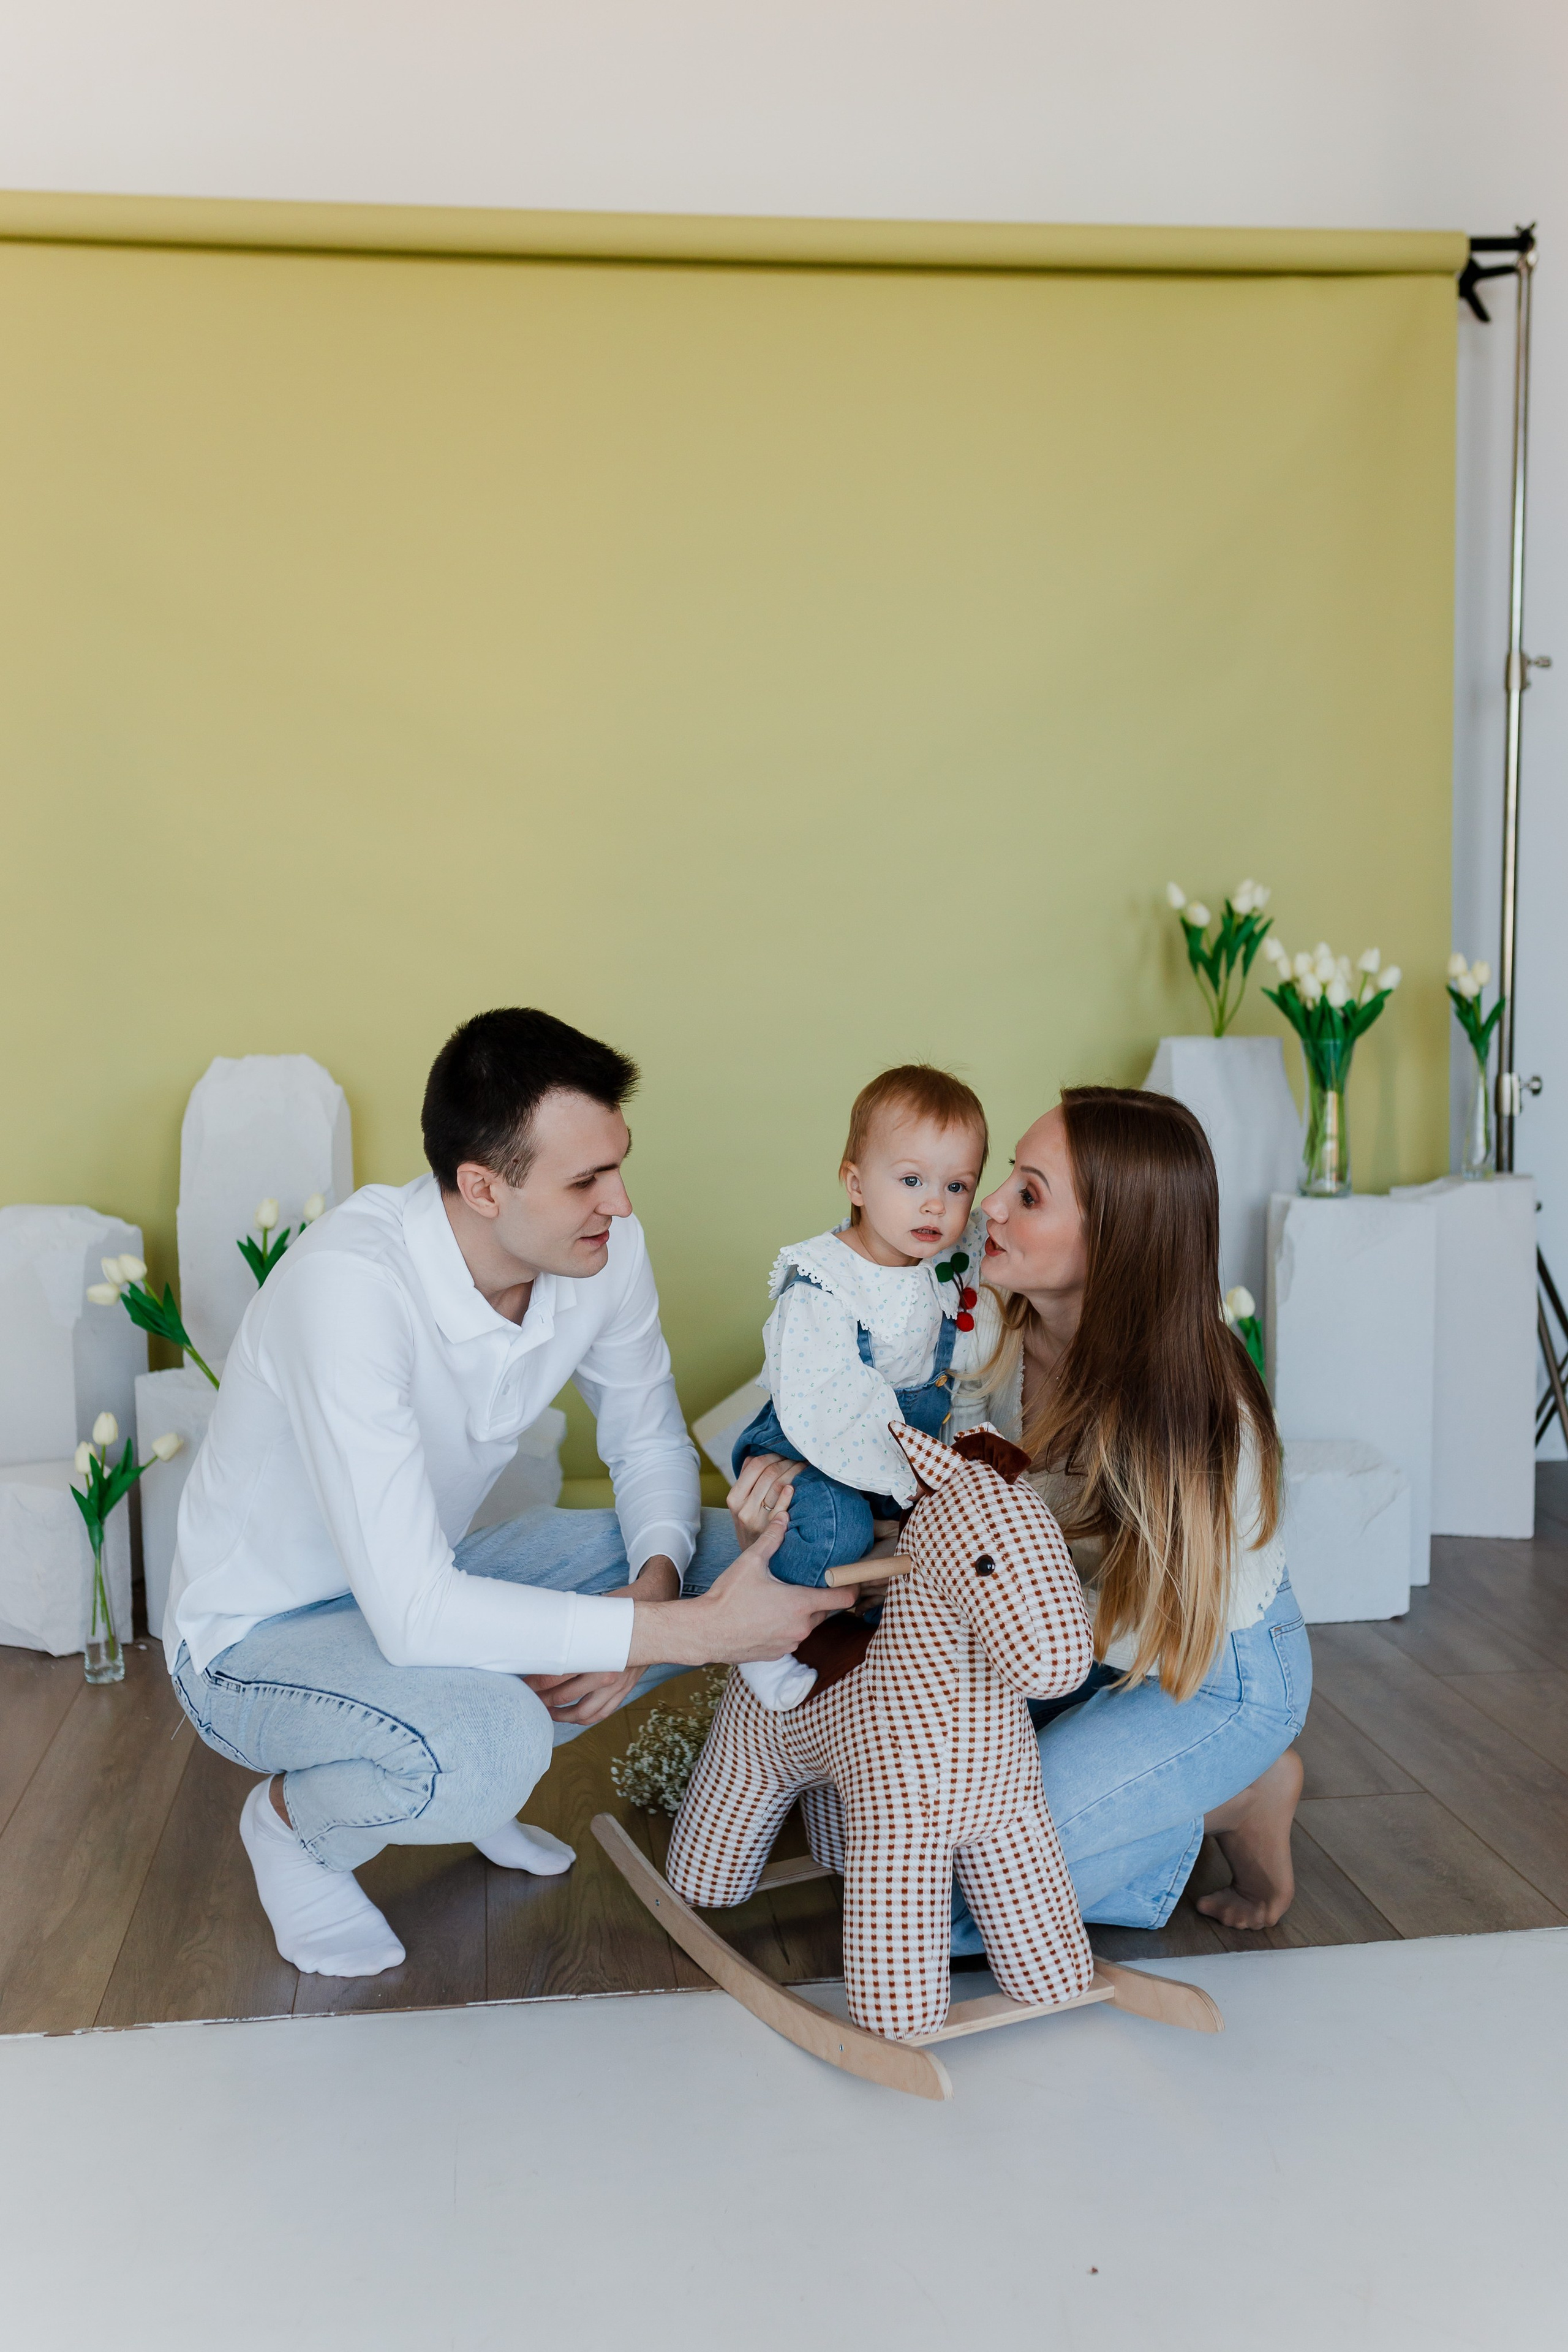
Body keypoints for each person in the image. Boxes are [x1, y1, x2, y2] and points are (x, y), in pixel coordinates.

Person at [164, 1008, 843, 1980]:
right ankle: (296, 1828)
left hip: (425, 1583)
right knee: (491, 1747)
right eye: (585, 1181)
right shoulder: (348, 1291)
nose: (620, 1202)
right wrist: (689, 1635)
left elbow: (646, 1437)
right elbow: (411, 1616)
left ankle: (465, 1741)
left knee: (748, 1553)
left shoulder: (600, 1250)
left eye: (619, 1165)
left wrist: (654, 1597)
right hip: (254, 1644)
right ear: (483, 1187)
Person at [940, 1085, 1311, 1938]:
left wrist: (979, 1613)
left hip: (1203, 1671)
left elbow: (1165, 1623)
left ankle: (1238, 1794)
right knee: (891, 1831)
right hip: (1066, 1635)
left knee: (965, 1902)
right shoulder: (993, 1316)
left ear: (1114, 1241)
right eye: (1009, 1176)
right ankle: (1148, 1801)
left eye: (1030, 1195)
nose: (988, 1204)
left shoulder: (1191, 1409)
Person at [725, 1065, 988, 1709]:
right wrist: (910, 1486)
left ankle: (879, 1656)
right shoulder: (827, 1280)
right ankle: (759, 1641)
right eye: (911, 1180)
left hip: (904, 1455)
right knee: (834, 1533)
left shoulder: (946, 1266)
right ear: (856, 1184)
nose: (936, 1204)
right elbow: (831, 1400)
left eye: (957, 1186)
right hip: (814, 1440)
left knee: (945, 1559)